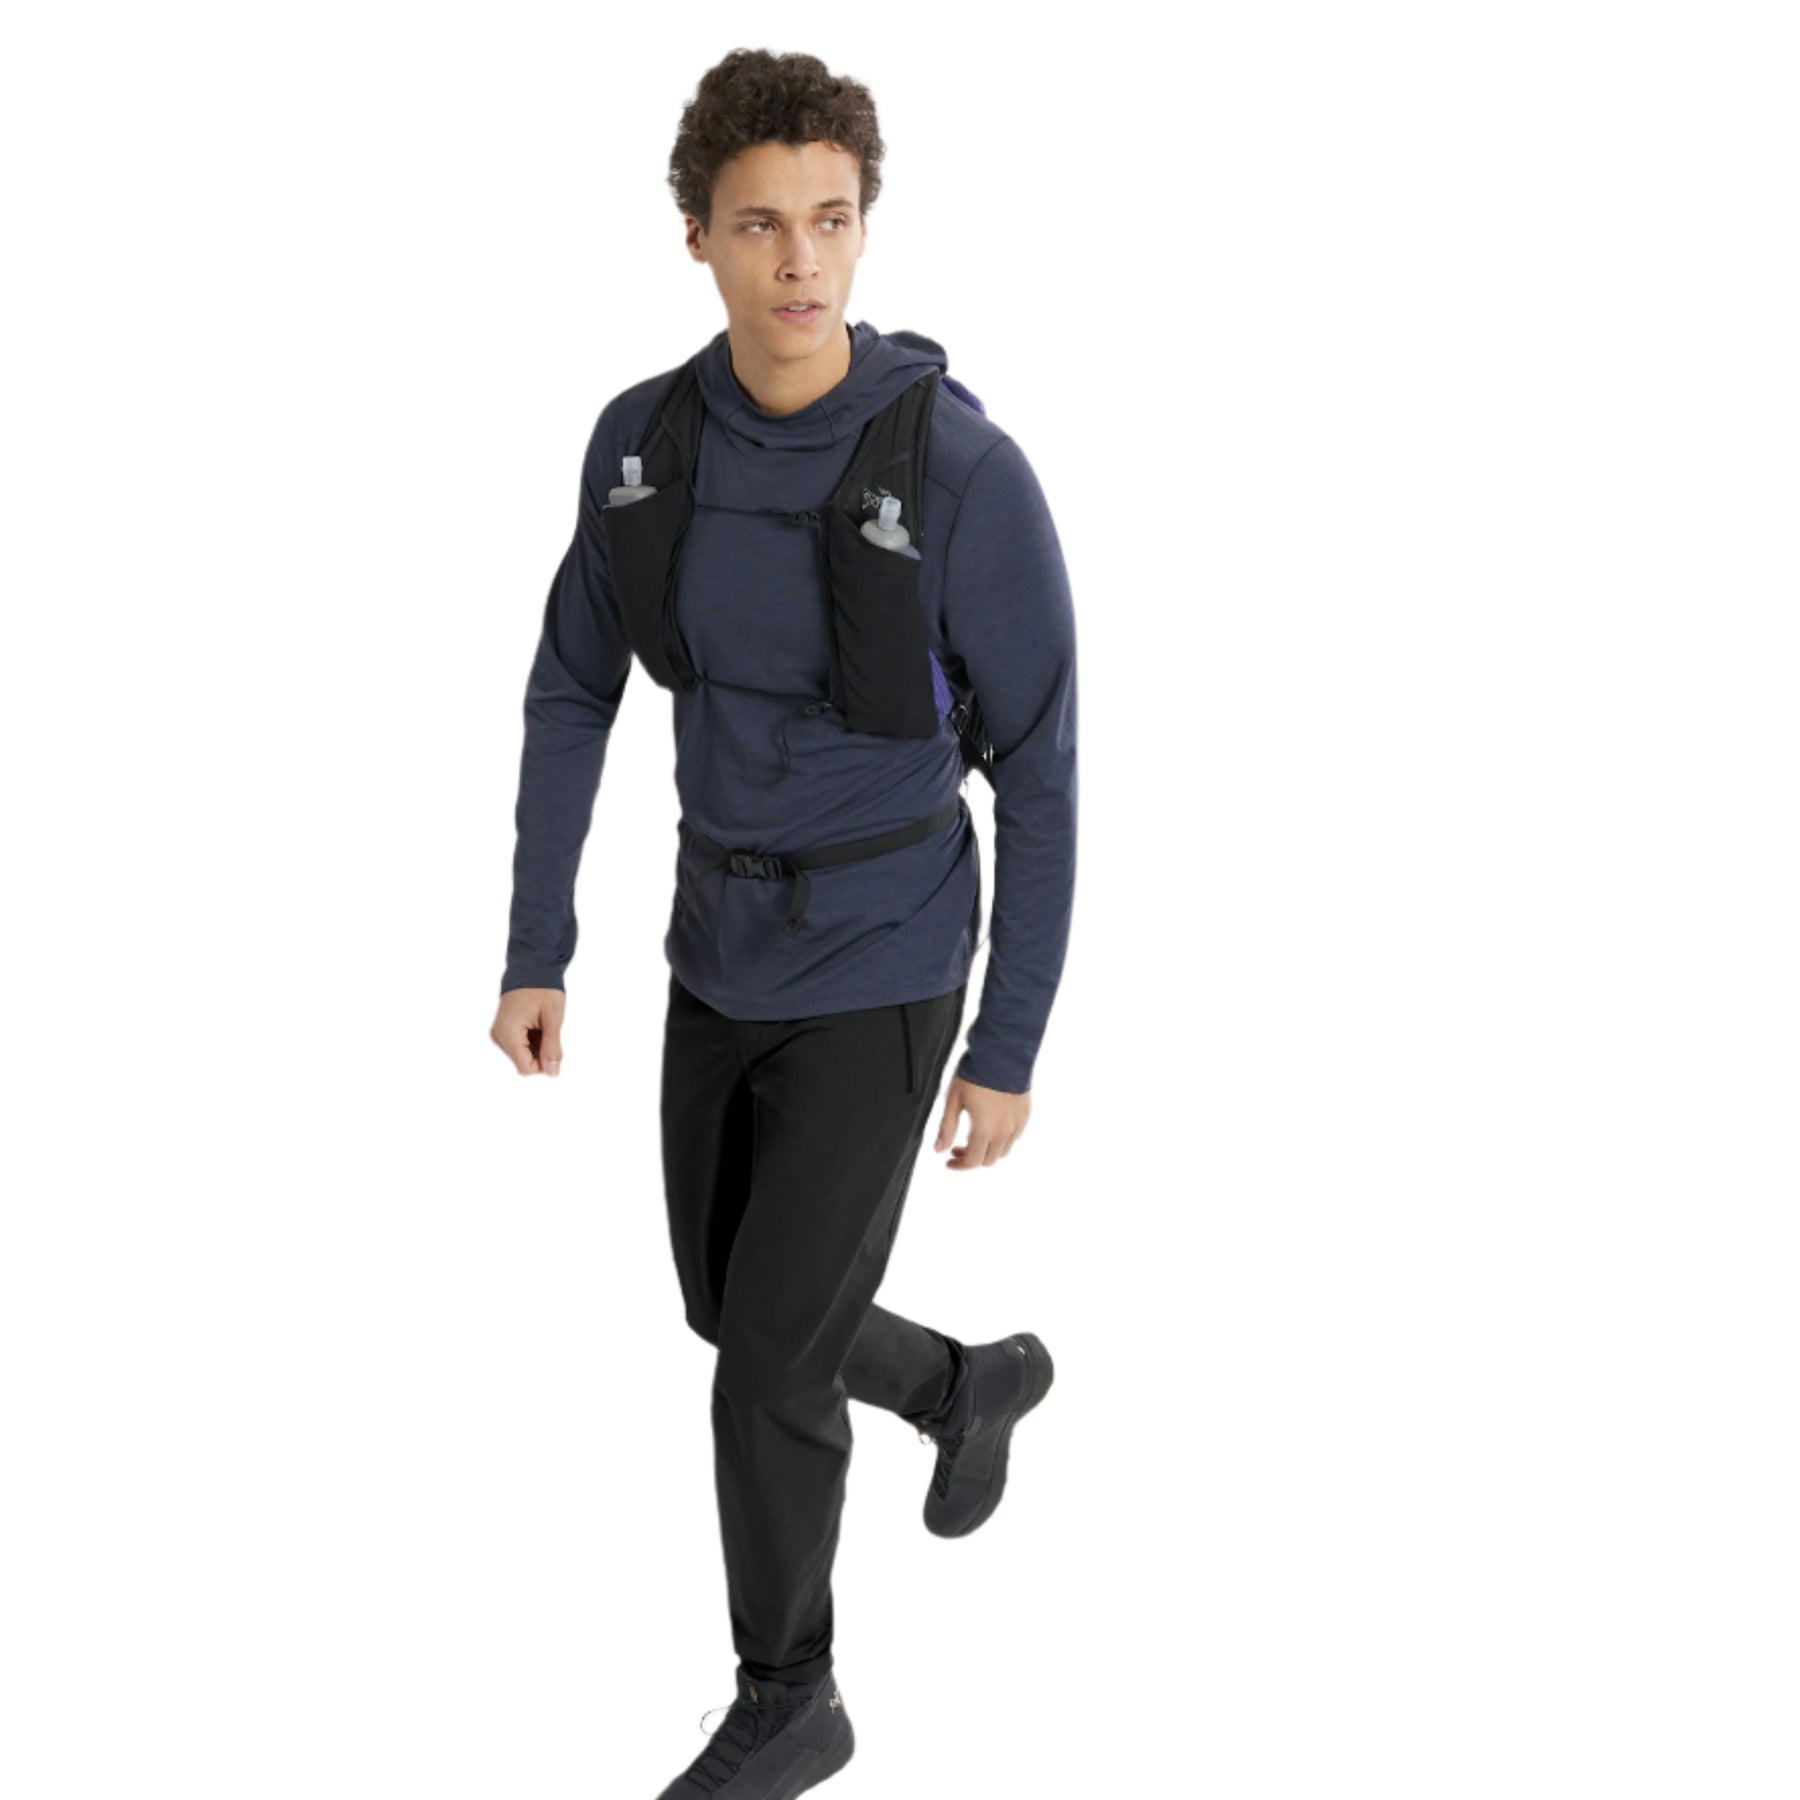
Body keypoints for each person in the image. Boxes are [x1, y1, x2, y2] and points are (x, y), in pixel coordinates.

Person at [489, 47, 1077, 1799]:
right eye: (760, 225)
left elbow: (1044, 770)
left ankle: (790, 1697)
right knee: (731, 1312)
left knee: (761, 1370)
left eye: (832, 219)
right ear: (699, 238)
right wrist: (537, 944)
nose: (801, 259)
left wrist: (1008, 1044)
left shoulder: (960, 472)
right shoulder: (645, 448)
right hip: (715, 949)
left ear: (866, 228)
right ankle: (960, 1387)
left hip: (886, 963)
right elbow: (572, 687)